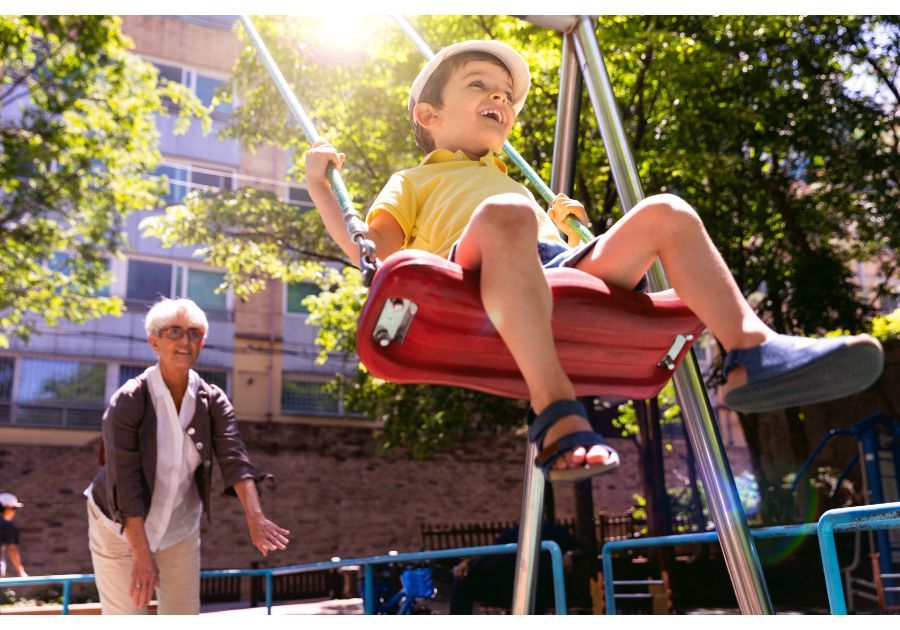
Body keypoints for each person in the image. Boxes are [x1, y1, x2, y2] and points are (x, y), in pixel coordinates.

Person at [305, 40, 884, 484]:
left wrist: (564, 229)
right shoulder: (414, 179)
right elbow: (373, 252)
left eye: (506, 95)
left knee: (666, 211)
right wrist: (322, 190)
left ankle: (750, 350)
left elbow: (557, 251)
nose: (499, 99)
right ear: (428, 116)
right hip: (469, 279)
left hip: (554, 268)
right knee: (506, 212)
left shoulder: (509, 181)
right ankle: (556, 410)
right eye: (480, 85)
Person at [84, 297, 290, 614]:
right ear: (154, 342)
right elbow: (124, 483)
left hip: (178, 527)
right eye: (175, 332)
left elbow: (234, 457)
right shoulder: (129, 400)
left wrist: (255, 517)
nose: (185, 340)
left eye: (194, 333)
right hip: (119, 527)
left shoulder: (212, 399)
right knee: (126, 616)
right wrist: (141, 554)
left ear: (202, 343)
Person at [449, 521, 584, 614]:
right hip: (503, 580)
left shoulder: (553, 530)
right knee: (462, 580)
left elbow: (581, 549)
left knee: (532, 577)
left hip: (536, 582)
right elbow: (491, 551)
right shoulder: (513, 532)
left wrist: (569, 554)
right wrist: (467, 561)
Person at [0, 492, 27, 577]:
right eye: (14, 508)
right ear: (8, 508)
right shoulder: (6, 525)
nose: (14, 512)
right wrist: (21, 572)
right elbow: (12, 549)